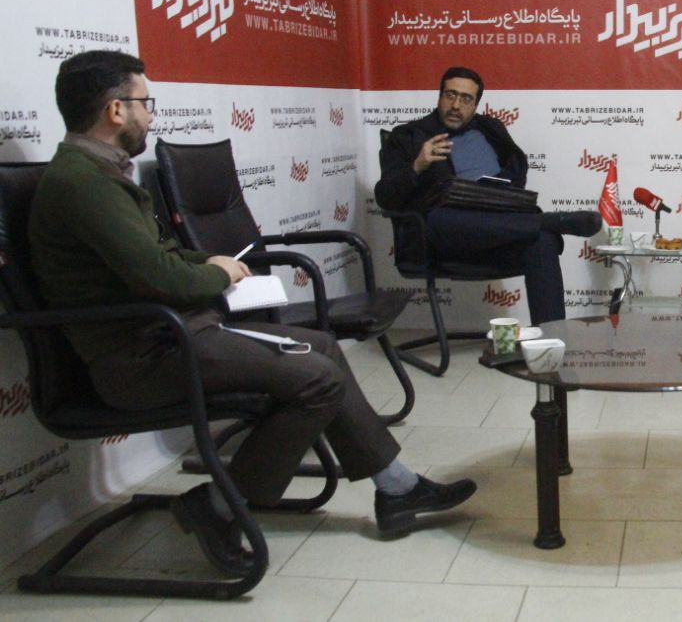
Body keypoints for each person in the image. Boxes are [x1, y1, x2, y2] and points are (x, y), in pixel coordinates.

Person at [28, 51, 476, 577]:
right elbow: (162, 279)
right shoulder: (86, 185)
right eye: (145, 103)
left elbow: (158, 259)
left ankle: (396, 487)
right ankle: (218, 508)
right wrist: (219, 276)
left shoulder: (98, 173)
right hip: (145, 358)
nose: (151, 115)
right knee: (317, 380)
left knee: (323, 348)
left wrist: (207, 262)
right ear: (115, 110)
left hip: (174, 336)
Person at [375, 66, 601, 325]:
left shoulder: (490, 129)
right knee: (438, 218)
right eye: (450, 95)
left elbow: (516, 171)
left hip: (497, 232)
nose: (456, 105)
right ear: (440, 96)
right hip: (445, 238)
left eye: (466, 99)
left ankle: (551, 340)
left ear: (476, 105)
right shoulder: (408, 136)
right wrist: (417, 165)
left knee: (542, 241)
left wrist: (498, 193)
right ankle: (549, 221)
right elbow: (386, 198)